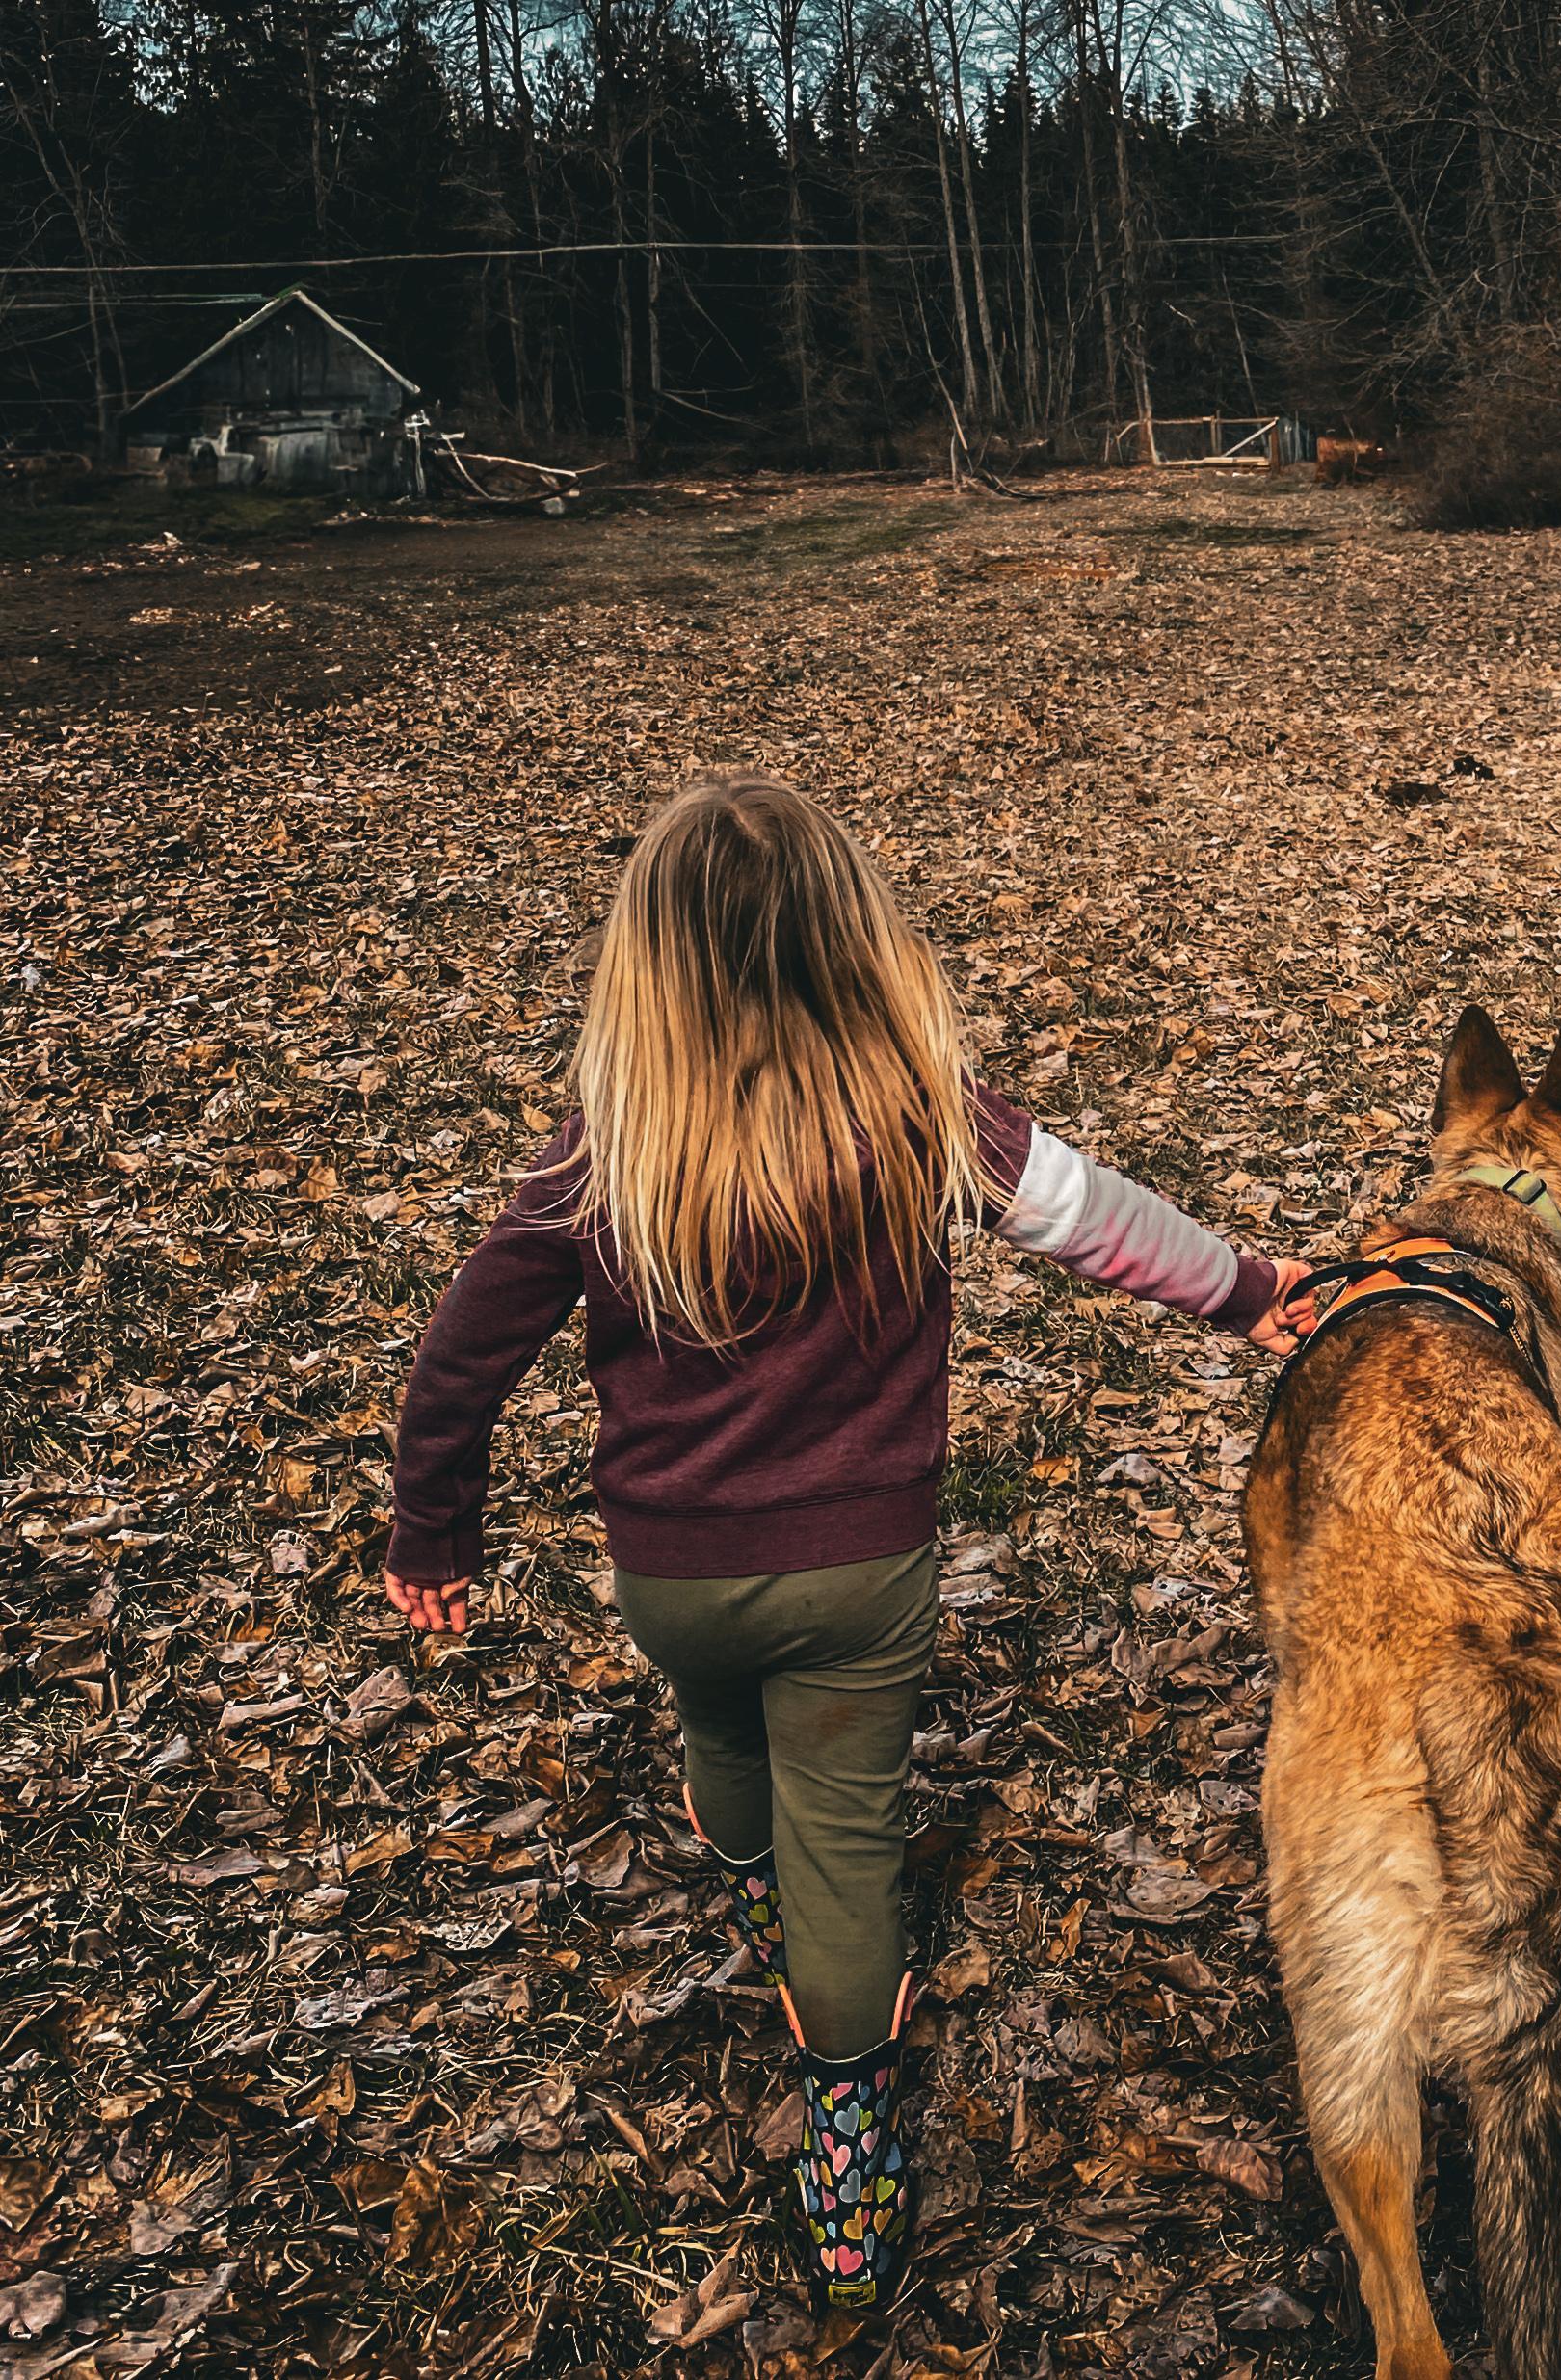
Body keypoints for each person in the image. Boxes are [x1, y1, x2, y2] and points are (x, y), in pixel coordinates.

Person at [383, 773, 1310, 2310]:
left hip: (671, 1573)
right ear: (857, 943)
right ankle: (851, 2126)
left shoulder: (598, 1151)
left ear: (649, 965)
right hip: (859, 1572)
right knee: (851, 1835)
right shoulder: (921, 1114)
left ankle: (739, 1865)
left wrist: (435, 1530)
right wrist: (1249, 1283)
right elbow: (1105, 1221)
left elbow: (458, 1361)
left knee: (715, 1726)